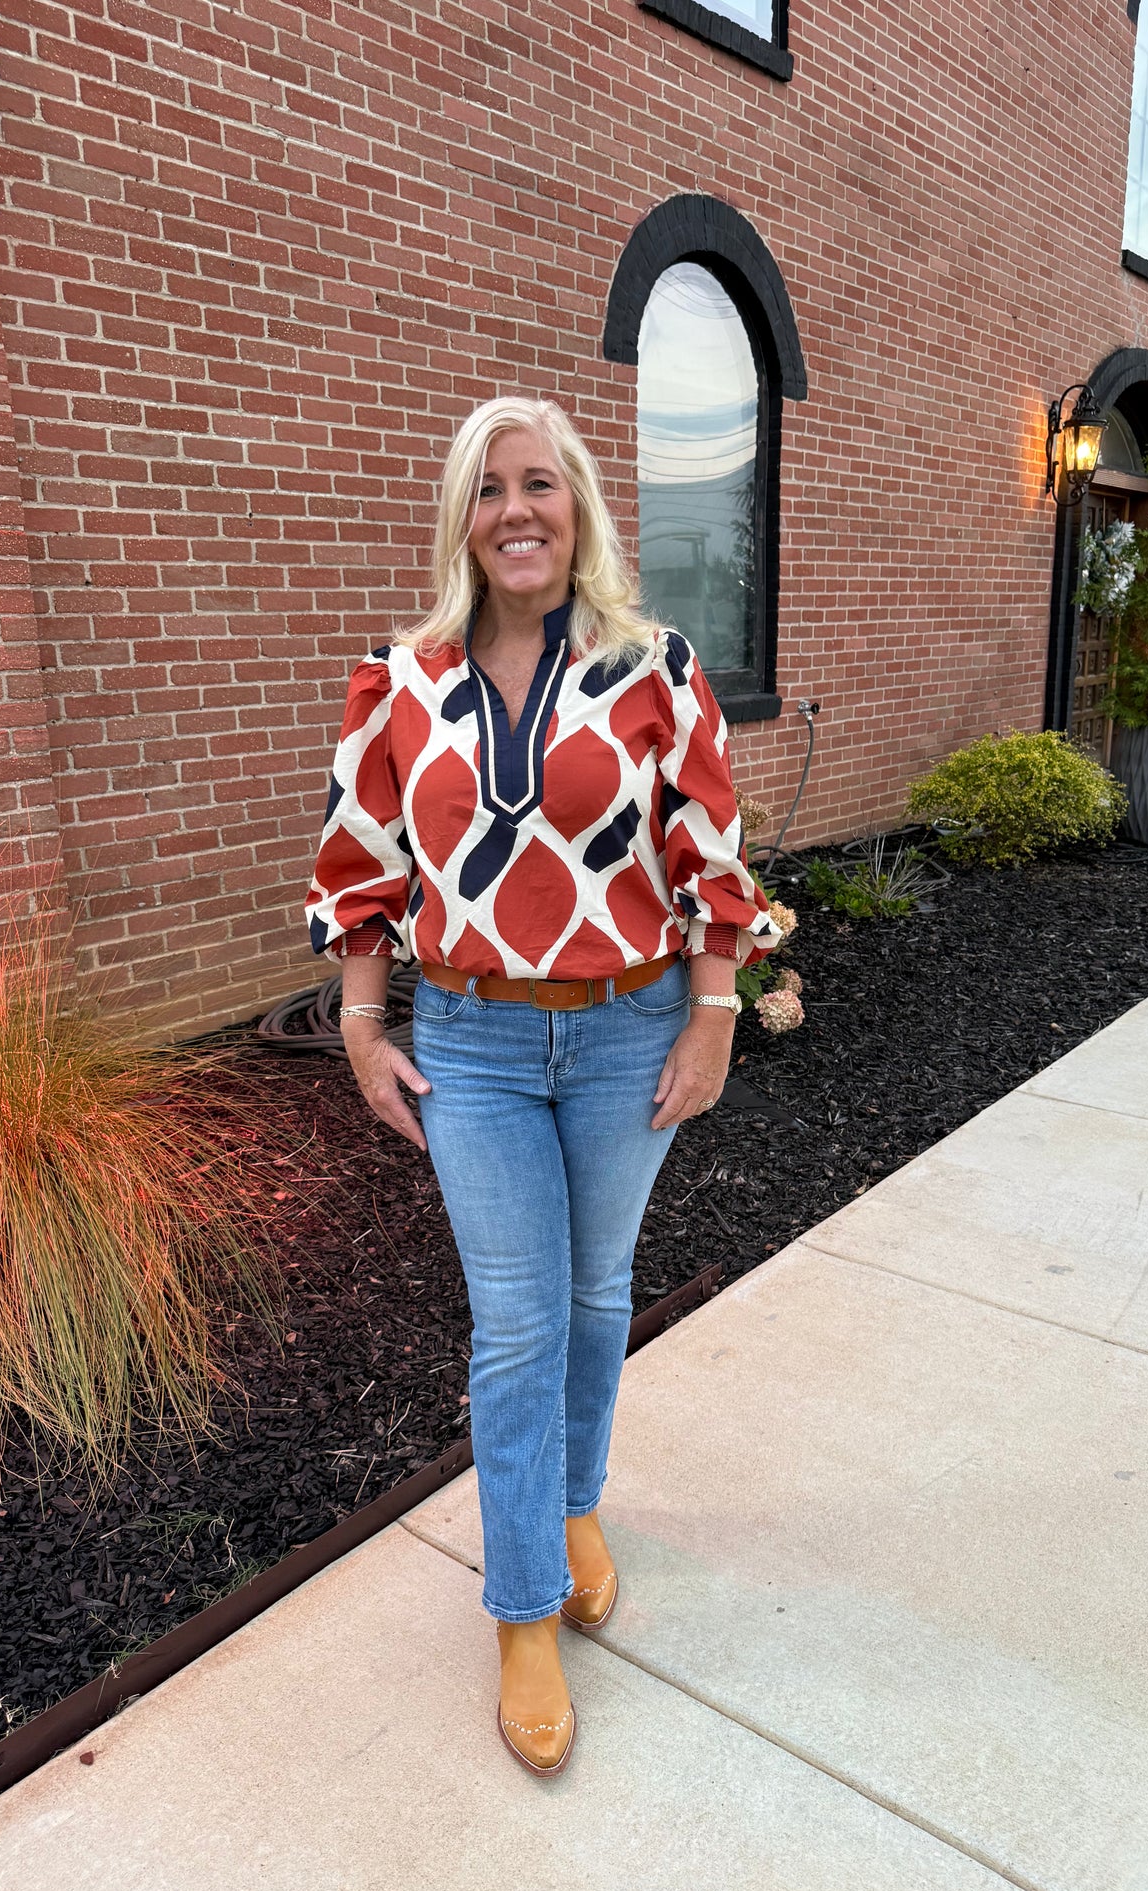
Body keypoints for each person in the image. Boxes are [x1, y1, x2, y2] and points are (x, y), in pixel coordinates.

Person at [305, 395, 779, 1777]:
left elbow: (710, 857)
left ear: (578, 506)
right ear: (462, 518)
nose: (516, 510)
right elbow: (359, 865)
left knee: (590, 1295)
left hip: (630, 1028)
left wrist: (712, 1016)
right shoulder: (398, 681)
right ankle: (521, 1605)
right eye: (488, 489)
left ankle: (573, 1505)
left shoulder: (655, 668)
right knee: (515, 1323)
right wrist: (357, 1021)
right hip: (473, 1043)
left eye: (540, 485)